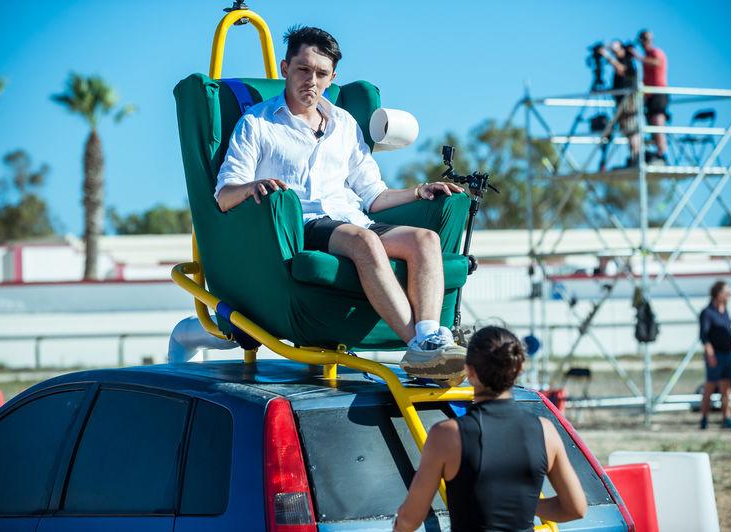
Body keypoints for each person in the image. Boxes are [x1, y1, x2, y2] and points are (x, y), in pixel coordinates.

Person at [214, 26, 466, 381]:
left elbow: (373, 195)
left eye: (321, 74)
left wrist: (418, 191)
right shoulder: (257, 123)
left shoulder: (344, 123)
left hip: (353, 219)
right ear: (285, 68)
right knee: (363, 240)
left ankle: (431, 337)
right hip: (302, 226)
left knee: (425, 239)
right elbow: (224, 196)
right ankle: (419, 347)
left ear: (332, 78)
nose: (311, 81)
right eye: (303, 70)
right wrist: (254, 186)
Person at [393, 326, 588, 531]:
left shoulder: (447, 435)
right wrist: (525, 505)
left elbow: (409, 519)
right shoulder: (545, 431)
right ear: (518, 370)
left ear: (470, 372)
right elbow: (575, 508)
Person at [699, 281, 731, 429]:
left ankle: (726, 418)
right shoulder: (707, 312)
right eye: (726, 292)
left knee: (727, 389)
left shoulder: (725, 312)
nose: (729, 295)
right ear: (718, 294)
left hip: (727, 354)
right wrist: (710, 355)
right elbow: (704, 336)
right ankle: (704, 418)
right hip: (715, 355)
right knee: (710, 388)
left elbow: (729, 334)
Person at [632, 29, 669, 165]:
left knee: (657, 123)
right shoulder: (647, 55)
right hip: (649, 95)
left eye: (646, 40)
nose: (644, 43)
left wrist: (638, 57)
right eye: (642, 40)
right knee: (651, 124)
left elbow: (656, 62)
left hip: (658, 93)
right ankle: (657, 153)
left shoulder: (655, 52)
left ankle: (662, 153)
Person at [601, 40, 640, 167]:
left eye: (616, 49)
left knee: (631, 129)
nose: (614, 52)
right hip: (621, 102)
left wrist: (608, 56)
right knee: (626, 130)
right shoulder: (621, 60)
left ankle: (636, 157)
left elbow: (621, 70)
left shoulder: (627, 60)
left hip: (629, 101)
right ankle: (633, 157)